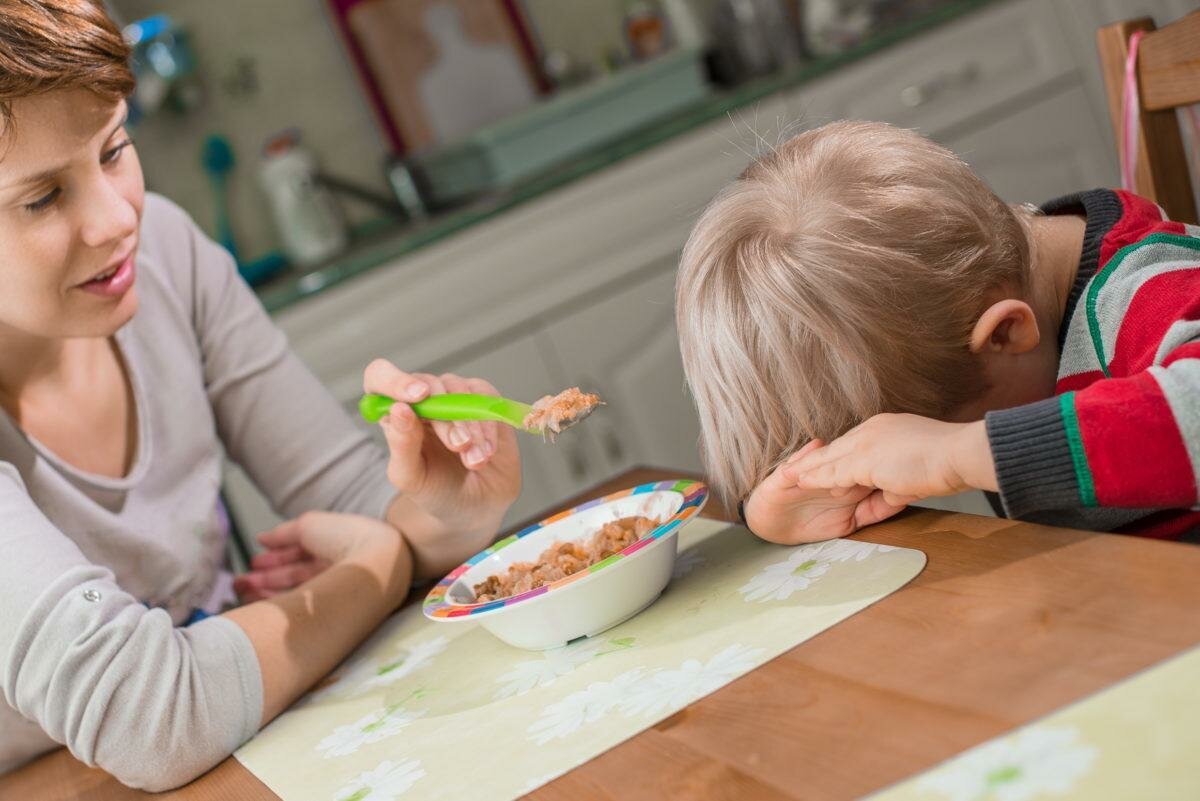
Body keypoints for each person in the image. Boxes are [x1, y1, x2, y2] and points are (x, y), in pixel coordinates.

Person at [0, 0, 520, 789]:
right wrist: (375, 563)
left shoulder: (165, 254)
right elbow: (154, 719)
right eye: (42, 198)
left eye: (115, 150)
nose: (116, 220)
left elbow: (363, 505)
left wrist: (444, 508)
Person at [676, 119, 1200, 544]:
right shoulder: (961, 302)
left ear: (1005, 334)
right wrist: (774, 506)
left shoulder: (1156, 292)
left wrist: (956, 453)